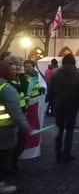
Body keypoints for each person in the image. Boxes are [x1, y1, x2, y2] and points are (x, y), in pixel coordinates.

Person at [0, 61, 34, 193]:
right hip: (4, 130)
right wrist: (28, 128)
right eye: (11, 69)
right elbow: (17, 114)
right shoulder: (6, 88)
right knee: (2, 157)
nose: (14, 71)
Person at [48, 54, 79, 162]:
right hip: (72, 105)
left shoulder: (55, 74)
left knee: (59, 129)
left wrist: (52, 104)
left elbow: (50, 90)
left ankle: (58, 153)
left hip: (58, 104)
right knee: (70, 129)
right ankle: (67, 152)